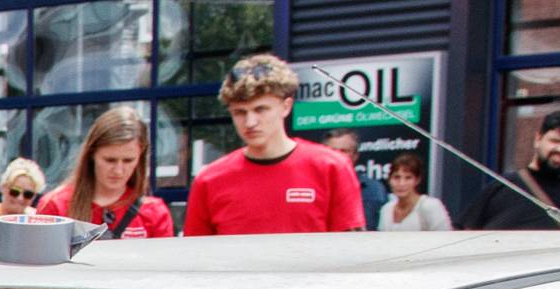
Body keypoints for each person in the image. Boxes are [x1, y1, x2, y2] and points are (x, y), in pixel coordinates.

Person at [182, 54, 364, 236]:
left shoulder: (331, 167)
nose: (250, 122)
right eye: (239, 112)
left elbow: (352, 247)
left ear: (286, 106)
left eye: (260, 109)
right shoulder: (209, 181)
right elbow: (195, 251)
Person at [36, 109, 176, 239]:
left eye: (128, 160)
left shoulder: (154, 213)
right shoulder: (55, 206)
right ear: (92, 155)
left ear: (140, 158)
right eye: (110, 160)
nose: (118, 170)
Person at [461, 110, 560, 231]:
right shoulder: (504, 187)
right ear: (538, 139)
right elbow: (463, 233)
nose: (558, 149)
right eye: (555, 141)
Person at [324, 131, 390, 230]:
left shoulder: (374, 189)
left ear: (355, 155)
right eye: (332, 151)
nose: (337, 155)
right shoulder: (312, 189)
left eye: (343, 151)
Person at [380, 151, 453, 231]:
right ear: (389, 179)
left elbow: (445, 236)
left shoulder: (431, 206)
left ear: (417, 180)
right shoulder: (386, 209)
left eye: (408, 178)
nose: (401, 183)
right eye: (397, 177)